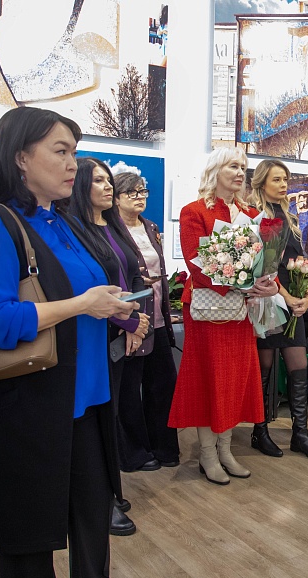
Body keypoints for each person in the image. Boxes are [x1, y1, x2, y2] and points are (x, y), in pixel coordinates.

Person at [0, 106, 138, 578]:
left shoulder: (65, 223)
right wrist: (81, 304)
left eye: (74, 153)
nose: (72, 164)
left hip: (88, 402)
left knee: (92, 527)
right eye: (60, 151)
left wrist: (114, 307)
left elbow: (84, 295)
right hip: (31, 407)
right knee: (28, 544)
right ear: (20, 157)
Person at [168, 147, 278, 485]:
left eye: (243, 167)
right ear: (215, 170)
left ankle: (226, 450)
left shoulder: (253, 214)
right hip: (207, 311)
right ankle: (207, 453)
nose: (240, 172)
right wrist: (243, 283)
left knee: (234, 380)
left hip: (240, 311)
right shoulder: (194, 211)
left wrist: (267, 284)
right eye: (233, 166)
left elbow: (267, 261)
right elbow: (197, 266)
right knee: (209, 379)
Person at [65, 157, 150, 536]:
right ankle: (100, 498)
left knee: (110, 413)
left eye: (108, 180)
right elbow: (91, 288)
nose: (107, 186)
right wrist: (130, 321)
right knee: (93, 418)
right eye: (98, 180)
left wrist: (138, 320)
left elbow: (135, 275)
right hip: (93, 333)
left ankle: (110, 491)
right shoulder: (73, 229)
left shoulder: (113, 225)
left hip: (120, 332)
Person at [248, 159, 308, 460]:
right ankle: (260, 431)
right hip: (268, 301)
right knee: (264, 368)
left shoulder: (290, 217)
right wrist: (287, 297)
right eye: (277, 179)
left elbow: (299, 262)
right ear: (261, 183)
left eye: (285, 180)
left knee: (298, 366)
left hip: (293, 303)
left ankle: (299, 434)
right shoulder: (254, 217)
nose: (283, 185)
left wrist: (305, 295)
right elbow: (265, 268)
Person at [113, 172, 180, 471]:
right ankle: (134, 453)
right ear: (116, 198)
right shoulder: (111, 231)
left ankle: (164, 447)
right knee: (129, 390)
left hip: (158, 318)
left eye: (143, 191)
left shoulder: (151, 227)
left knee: (163, 385)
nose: (140, 197)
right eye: (132, 192)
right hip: (130, 319)